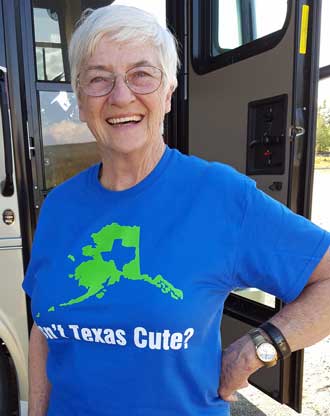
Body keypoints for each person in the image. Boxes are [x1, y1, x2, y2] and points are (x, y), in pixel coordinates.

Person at [22, 5, 330, 416]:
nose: (120, 95)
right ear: (80, 100)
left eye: (141, 75)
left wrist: (257, 349)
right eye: (99, 79)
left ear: (167, 94)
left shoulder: (219, 196)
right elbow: (44, 331)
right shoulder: (58, 206)